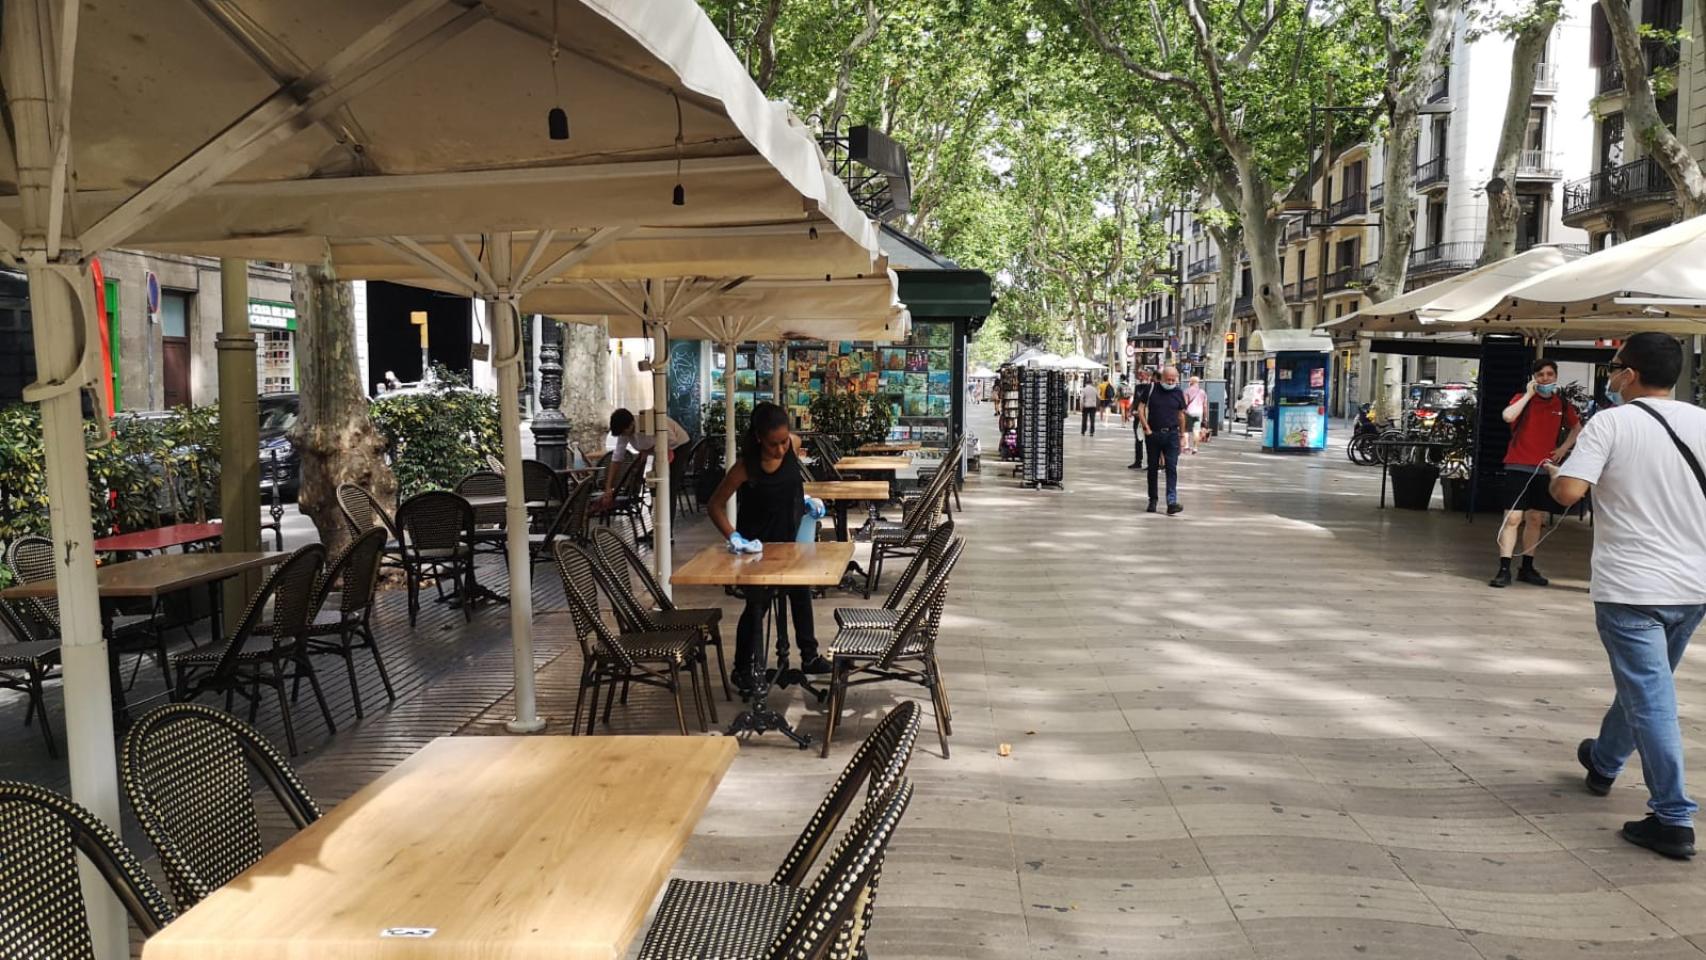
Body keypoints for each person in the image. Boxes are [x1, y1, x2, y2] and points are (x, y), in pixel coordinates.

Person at [1547, 333, 1706, 859]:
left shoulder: (1611, 422)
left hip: (1632, 586)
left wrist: (1555, 477)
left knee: (1653, 698)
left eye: (1614, 368)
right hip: (1695, 585)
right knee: (1646, 686)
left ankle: (1673, 816)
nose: (1611, 377)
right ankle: (1605, 761)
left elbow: (1570, 493)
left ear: (1630, 374)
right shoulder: (1703, 421)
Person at [707, 402, 831, 695]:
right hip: (757, 552)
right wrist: (734, 537)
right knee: (756, 607)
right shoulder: (745, 468)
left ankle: (809, 656)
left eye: (785, 441)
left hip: (791, 546)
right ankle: (742, 668)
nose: (781, 449)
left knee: (801, 596)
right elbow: (714, 505)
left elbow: (791, 489)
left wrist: (805, 501)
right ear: (759, 438)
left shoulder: (793, 446)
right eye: (774, 443)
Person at [1490, 359, 1583, 588]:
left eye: (1550, 374)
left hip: (1543, 467)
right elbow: (1508, 416)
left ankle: (1527, 566)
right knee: (1512, 518)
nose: (1545, 379)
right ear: (1533, 377)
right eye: (1540, 374)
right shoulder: (1522, 400)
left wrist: (1563, 448)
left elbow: (1577, 427)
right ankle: (1504, 567)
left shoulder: (1561, 403)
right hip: (1517, 464)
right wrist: (1528, 395)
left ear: (1556, 377)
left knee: (1535, 519)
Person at [601, 407, 691, 510]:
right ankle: (656, 512)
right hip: (657, 452)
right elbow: (617, 457)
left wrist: (647, 451)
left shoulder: (649, 423)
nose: (623, 436)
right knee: (654, 486)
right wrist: (608, 487)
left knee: (668, 487)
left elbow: (672, 441)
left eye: (624, 433)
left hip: (678, 446)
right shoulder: (624, 431)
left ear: (631, 425)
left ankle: (668, 522)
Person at [1139, 366, 1188, 514]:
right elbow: (1140, 408)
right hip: (1153, 434)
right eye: (1168, 380)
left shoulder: (1178, 392)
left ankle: (1171, 502)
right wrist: (1146, 428)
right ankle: (1153, 500)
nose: (1171, 382)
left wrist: (1182, 435)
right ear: (1162, 378)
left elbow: (1181, 415)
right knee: (1152, 468)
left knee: (1171, 468)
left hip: (1172, 435)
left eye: (1174, 380)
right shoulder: (1151, 389)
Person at [1128, 369, 1153, 470]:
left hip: (1148, 417)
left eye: (1142, 374)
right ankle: (1138, 461)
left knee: (1149, 440)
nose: (1140, 376)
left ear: (1148, 376)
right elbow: (1135, 400)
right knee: (1138, 440)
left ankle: (1150, 463)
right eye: (1139, 375)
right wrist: (1130, 410)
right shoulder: (1138, 387)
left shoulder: (1151, 387)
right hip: (1137, 417)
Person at [1183, 376, 1208, 454]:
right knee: (1196, 431)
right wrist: (1205, 417)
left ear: (1190, 382)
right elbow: (1205, 406)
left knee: (1185, 429)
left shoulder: (1186, 391)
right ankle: (1195, 448)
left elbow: (1185, 403)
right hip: (1198, 413)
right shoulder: (1202, 392)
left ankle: (1187, 446)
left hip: (1189, 412)